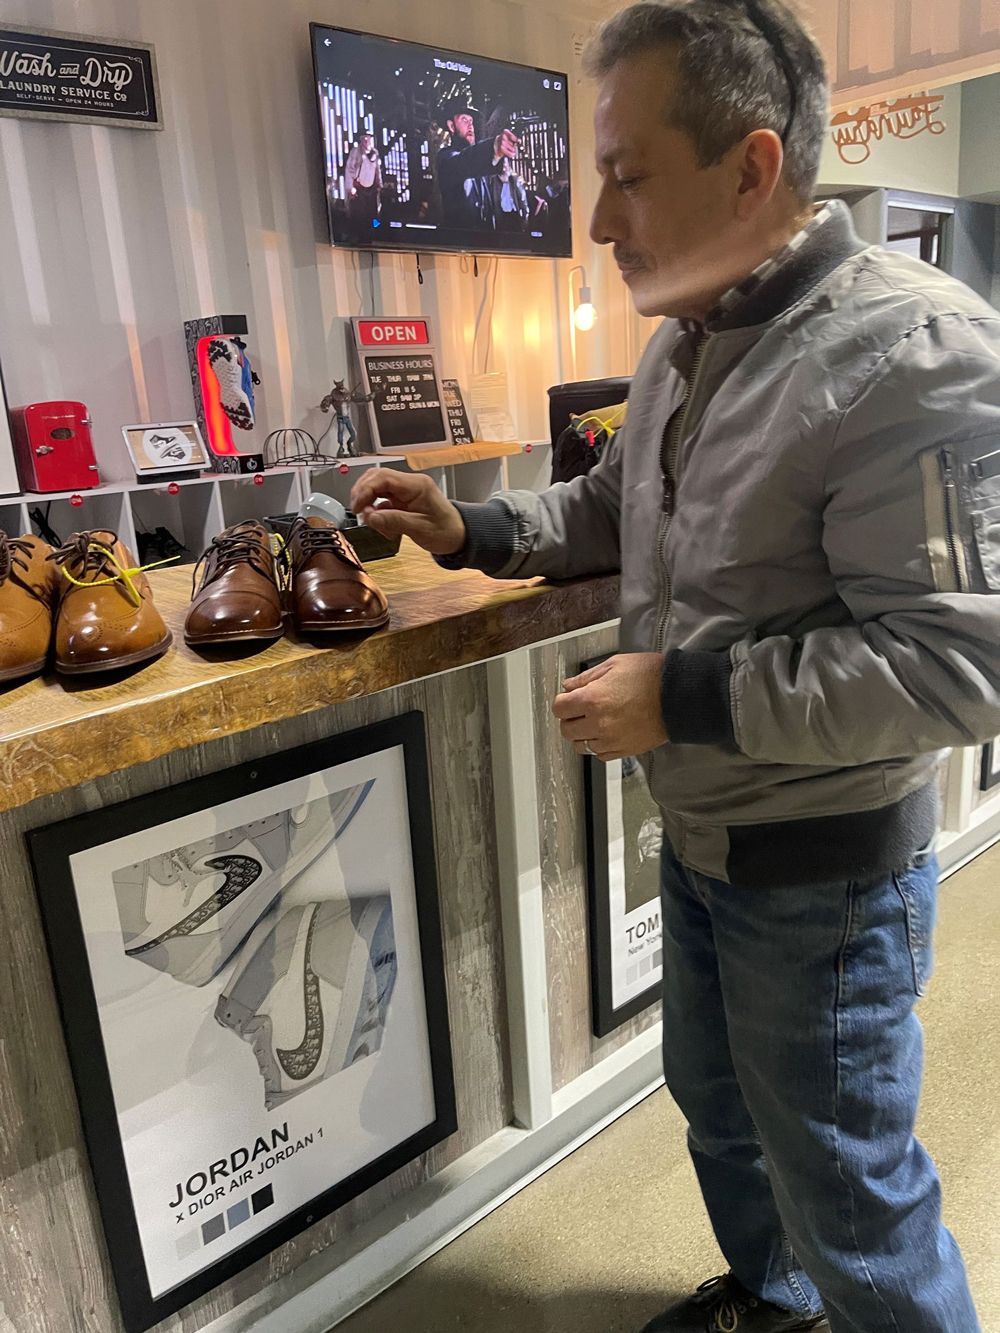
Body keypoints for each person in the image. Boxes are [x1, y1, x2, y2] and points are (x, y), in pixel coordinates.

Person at [352, 2, 999, 1330]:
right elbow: (608, 514)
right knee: (720, 1113)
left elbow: (959, 667)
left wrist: (683, 693)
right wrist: (468, 525)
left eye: (628, 175)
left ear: (752, 168)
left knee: (851, 1190)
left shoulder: (917, 354)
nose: (598, 221)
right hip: (699, 837)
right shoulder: (685, 338)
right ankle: (776, 1302)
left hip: (825, 876)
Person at [436, 97, 519, 230]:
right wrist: (493, 147)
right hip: (460, 242)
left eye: (471, 121)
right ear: (451, 126)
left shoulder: (481, 165)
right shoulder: (446, 158)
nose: (470, 126)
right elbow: (463, 162)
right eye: (464, 120)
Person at [344, 131, 383, 228]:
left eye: (368, 137)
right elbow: (350, 169)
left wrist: (379, 183)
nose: (366, 140)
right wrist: (350, 187)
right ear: (361, 139)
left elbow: (377, 170)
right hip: (359, 187)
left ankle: (375, 231)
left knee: (373, 213)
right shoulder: (356, 152)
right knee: (359, 213)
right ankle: (359, 231)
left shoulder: (375, 153)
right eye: (364, 138)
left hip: (371, 188)